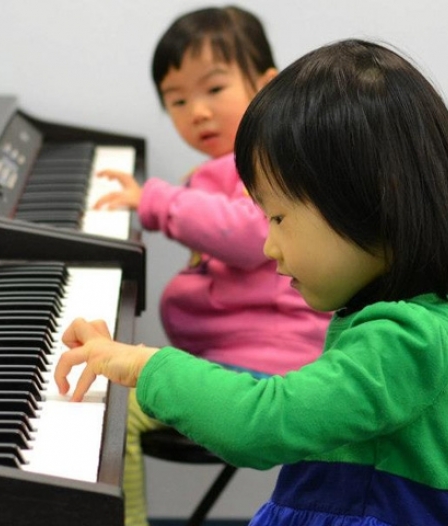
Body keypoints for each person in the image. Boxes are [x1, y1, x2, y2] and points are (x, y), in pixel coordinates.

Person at [56, 38, 448, 526]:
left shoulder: (408, 342)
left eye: (279, 218)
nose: (268, 247)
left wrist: (144, 364)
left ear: (375, 198)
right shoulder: (428, 321)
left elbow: (263, 424)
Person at [94, 6, 331, 525]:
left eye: (214, 90)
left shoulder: (268, 161)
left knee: (116, 413)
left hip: (270, 366)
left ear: (269, 87)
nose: (196, 111)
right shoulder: (223, 168)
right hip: (236, 354)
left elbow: (248, 234)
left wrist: (153, 201)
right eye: (177, 100)